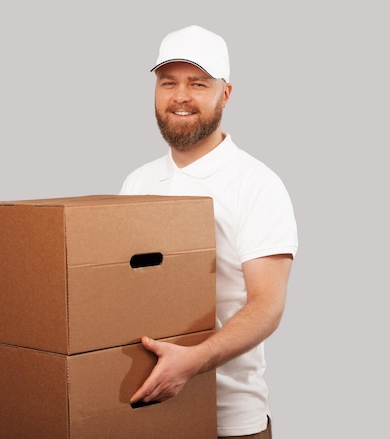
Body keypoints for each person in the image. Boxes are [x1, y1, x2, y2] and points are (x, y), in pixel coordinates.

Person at [120, 25, 298, 438]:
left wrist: (193, 360)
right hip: (142, 414)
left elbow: (267, 305)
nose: (180, 96)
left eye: (198, 83)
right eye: (169, 83)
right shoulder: (136, 183)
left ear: (226, 94)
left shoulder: (256, 184)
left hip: (229, 423)